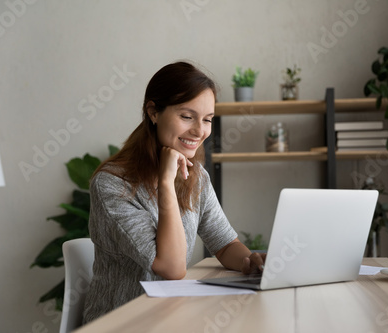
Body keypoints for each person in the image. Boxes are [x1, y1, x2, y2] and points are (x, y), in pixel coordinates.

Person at [82, 61, 266, 323]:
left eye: (208, 120)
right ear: (153, 112)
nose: (199, 130)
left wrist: (248, 261)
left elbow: (225, 245)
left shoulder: (196, 177)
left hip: (172, 316)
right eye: (187, 116)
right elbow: (171, 267)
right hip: (123, 323)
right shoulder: (111, 184)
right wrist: (166, 183)